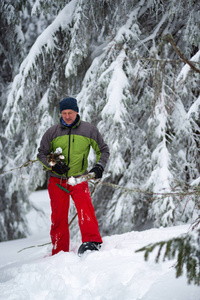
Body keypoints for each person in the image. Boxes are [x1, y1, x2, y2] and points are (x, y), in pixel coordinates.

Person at [37, 96, 110, 255]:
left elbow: (103, 150)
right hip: (57, 181)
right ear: (60, 114)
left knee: (86, 210)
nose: (67, 116)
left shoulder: (88, 130)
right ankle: (59, 251)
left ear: (76, 112)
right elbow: (41, 154)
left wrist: (99, 166)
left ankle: (92, 242)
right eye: (64, 113)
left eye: (70, 112)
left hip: (79, 179)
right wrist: (54, 163)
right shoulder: (52, 132)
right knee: (58, 217)